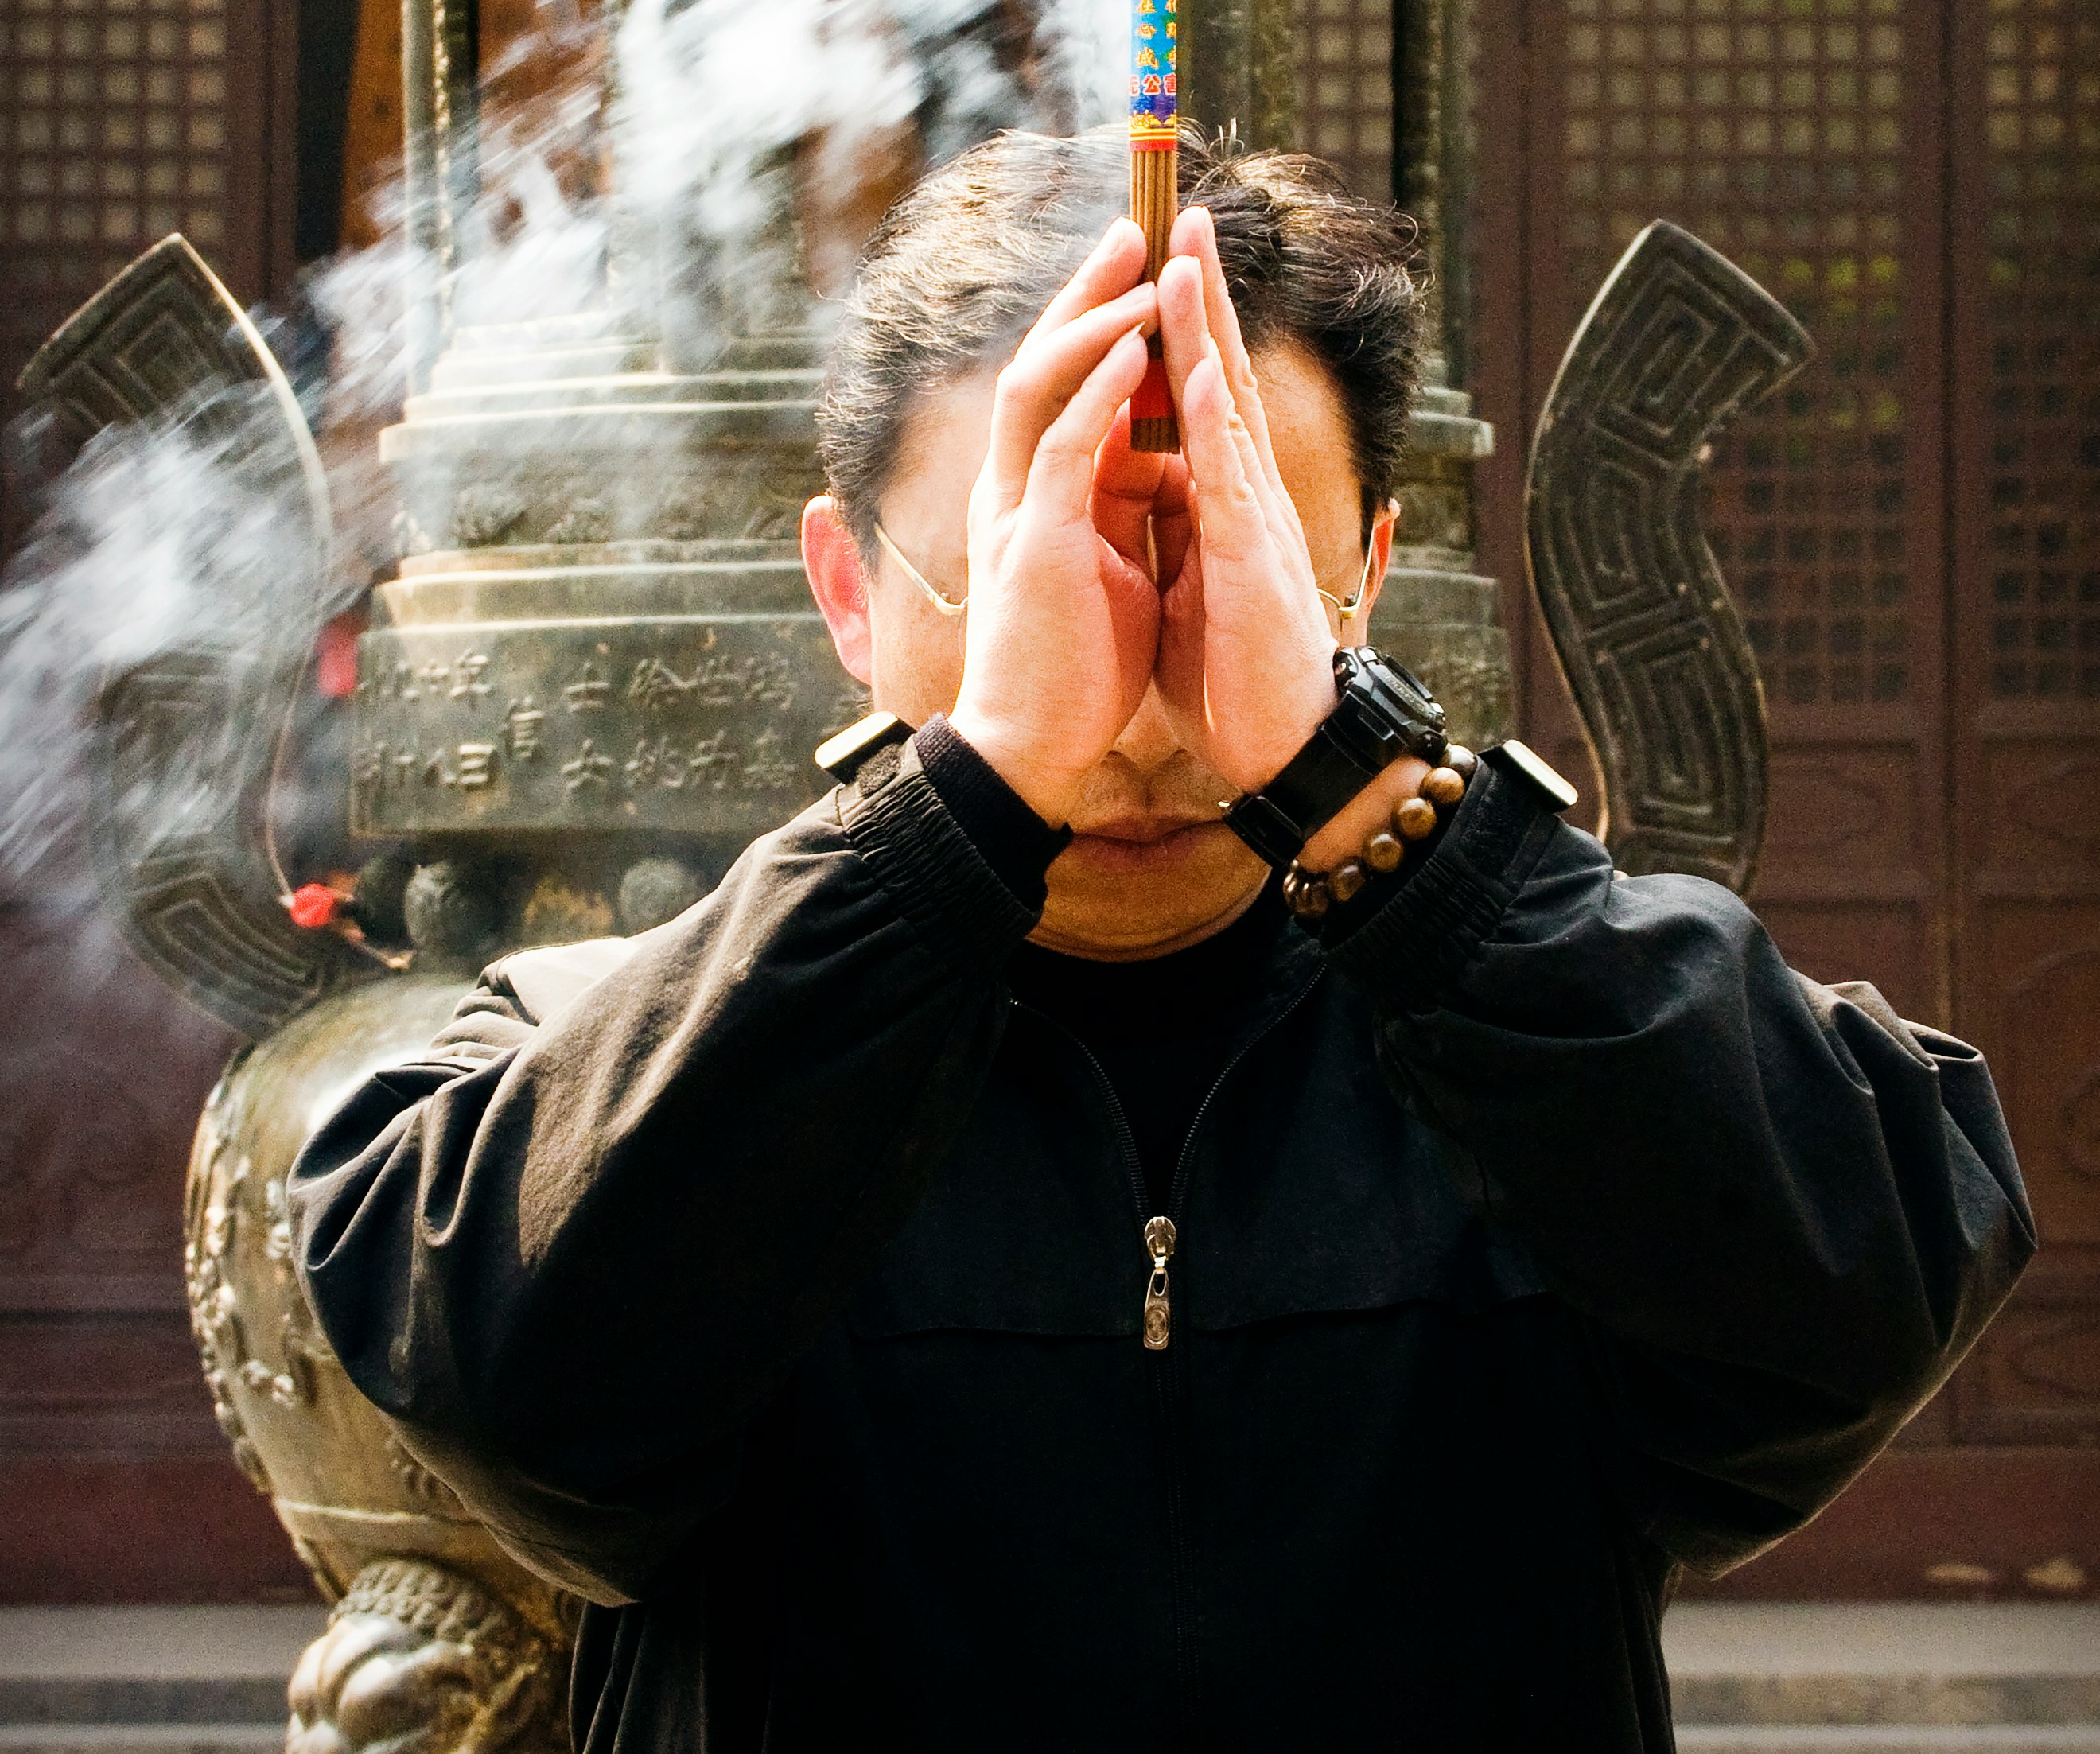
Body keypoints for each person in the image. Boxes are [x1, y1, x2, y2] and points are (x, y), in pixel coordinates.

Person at [291, 130, 2032, 1754]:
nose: (1130, 710)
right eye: (1026, 569)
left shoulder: (1540, 1035)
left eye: (1223, 561)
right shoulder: (612, 1038)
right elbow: (516, 1407)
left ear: (1363, 577)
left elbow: (1862, 1286)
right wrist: (973, 792)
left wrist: (1373, 807)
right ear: (846, 587)